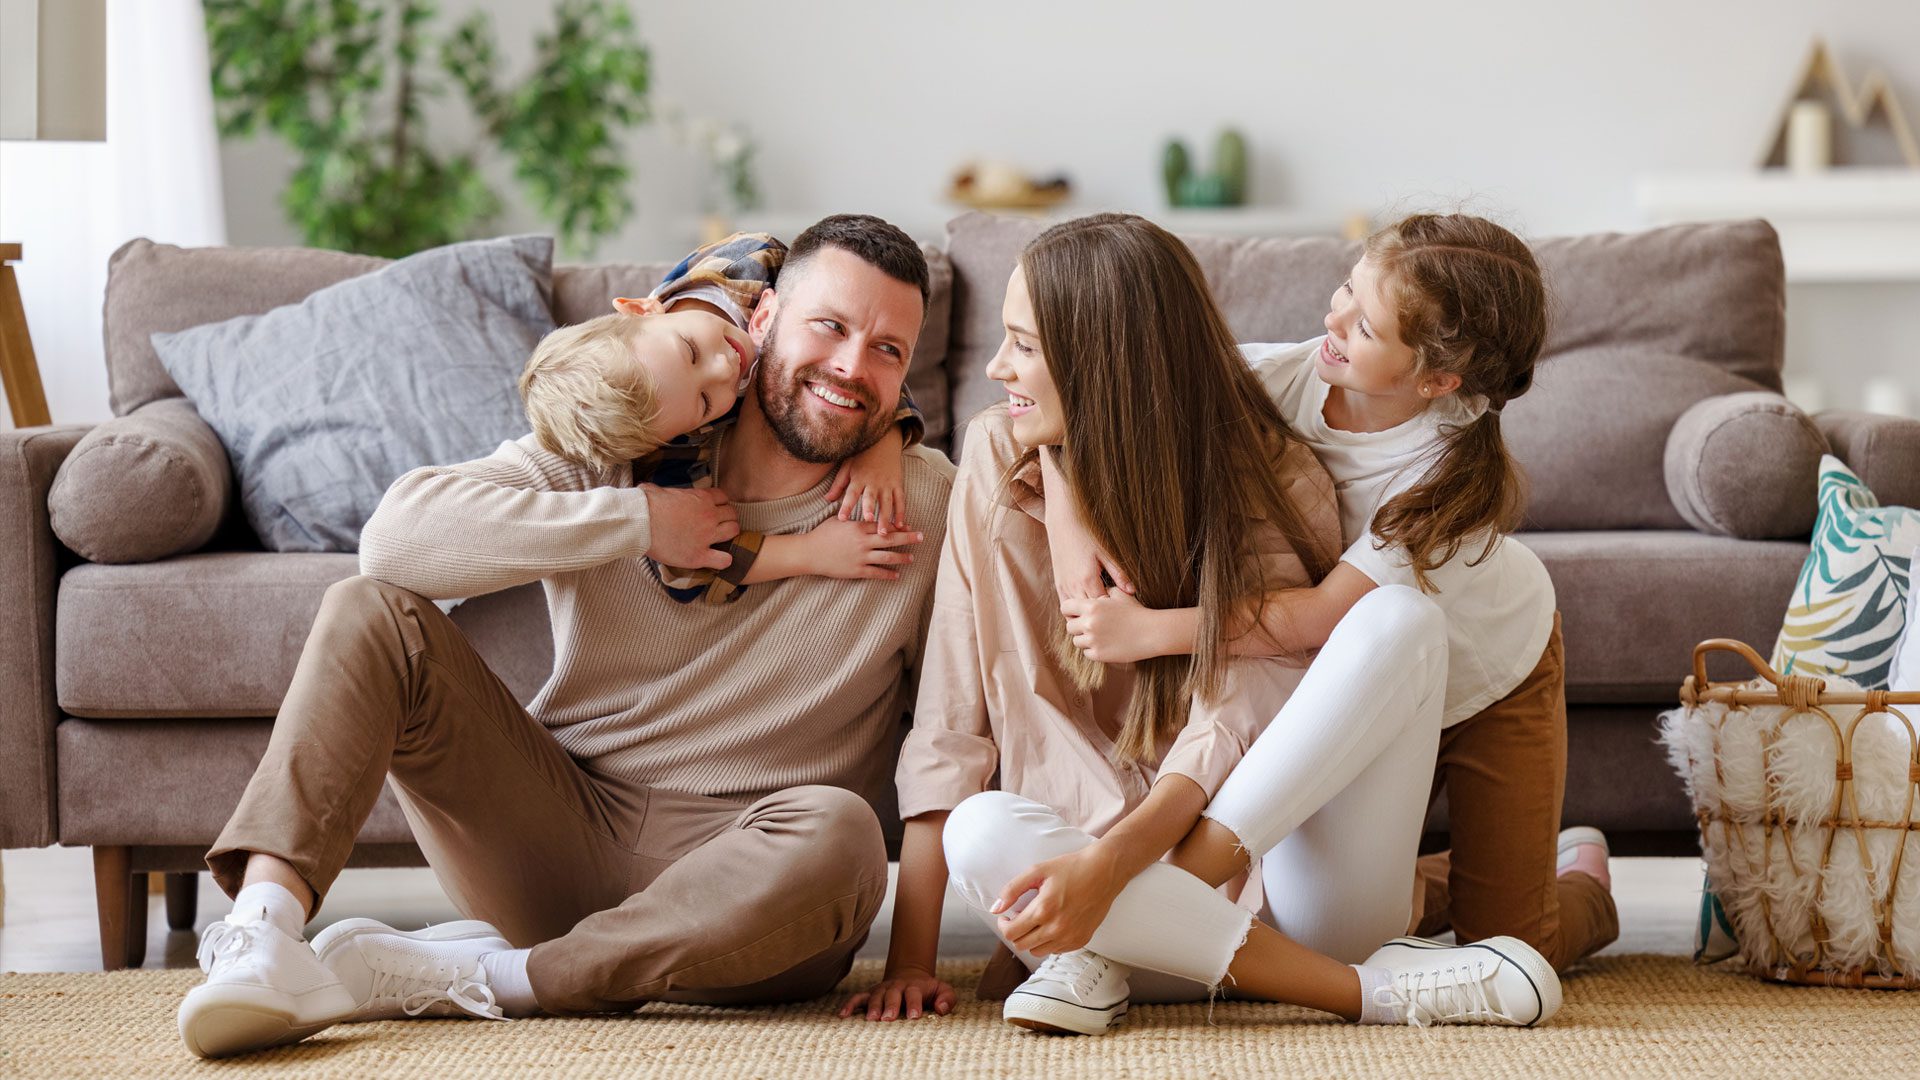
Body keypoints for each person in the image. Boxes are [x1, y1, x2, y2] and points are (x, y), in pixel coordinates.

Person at [176, 214, 954, 1059]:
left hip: (755, 887)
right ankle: (261, 936)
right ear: (761, 323)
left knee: (843, 832)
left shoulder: (923, 501)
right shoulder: (632, 432)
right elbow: (395, 543)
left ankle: (496, 980)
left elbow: (956, 722)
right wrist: (636, 521)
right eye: (831, 327)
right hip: (563, 828)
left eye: (889, 351)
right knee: (369, 612)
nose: (851, 367)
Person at [844, 213, 1558, 1037]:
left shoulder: (1316, 476)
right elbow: (948, 722)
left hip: (1321, 792)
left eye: (1025, 347)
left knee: (1400, 627)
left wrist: (1120, 860)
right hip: (1093, 891)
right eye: (1346, 294)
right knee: (980, 831)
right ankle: (1286, 968)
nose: (996, 368)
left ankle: (1523, 910)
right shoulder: (1022, 452)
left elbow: (1281, 661)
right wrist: (911, 962)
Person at [1044, 213, 1615, 1012]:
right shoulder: (1289, 376)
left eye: (1365, 325)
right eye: (1346, 290)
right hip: (1361, 682)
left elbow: (1318, 616)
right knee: (1365, 892)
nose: (1331, 321)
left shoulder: (1443, 482)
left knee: (1516, 942)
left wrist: (1151, 632)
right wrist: (1075, 548)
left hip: (1487, 674)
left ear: (1436, 382)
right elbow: (1071, 418)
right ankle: (1433, 886)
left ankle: (1580, 879)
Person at [518, 231, 927, 601]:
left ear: (643, 310)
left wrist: (885, 442)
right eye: (704, 401)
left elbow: (859, 325)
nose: (724, 369)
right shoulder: (673, 440)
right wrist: (810, 553)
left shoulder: (748, 263)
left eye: (690, 350)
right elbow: (690, 568)